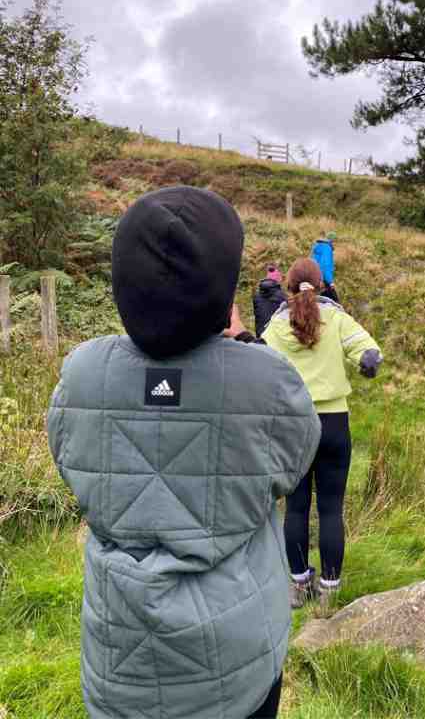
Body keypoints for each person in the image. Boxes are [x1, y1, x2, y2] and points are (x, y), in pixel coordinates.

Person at [47, 187, 321, 719]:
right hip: (239, 660)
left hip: (118, 656)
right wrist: (242, 344)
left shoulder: (82, 374)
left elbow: (69, 457)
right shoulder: (266, 381)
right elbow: (295, 456)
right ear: (222, 289)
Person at [262, 258, 382, 609]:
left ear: (288, 286)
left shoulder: (276, 326)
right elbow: (370, 353)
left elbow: (259, 361)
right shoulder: (337, 318)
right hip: (333, 423)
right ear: (322, 284)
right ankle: (330, 592)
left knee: (296, 508)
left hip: (291, 425)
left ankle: (299, 587)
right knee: (331, 510)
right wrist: (367, 364)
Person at [253, 264, 287, 337]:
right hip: (275, 338)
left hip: (260, 335)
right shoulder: (282, 297)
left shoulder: (256, 296)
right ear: (278, 280)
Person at [311, 232, 339, 303]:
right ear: (332, 241)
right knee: (334, 302)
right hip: (323, 281)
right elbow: (325, 266)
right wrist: (330, 282)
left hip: (314, 278)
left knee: (319, 301)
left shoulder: (318, 247)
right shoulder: (327, 248)